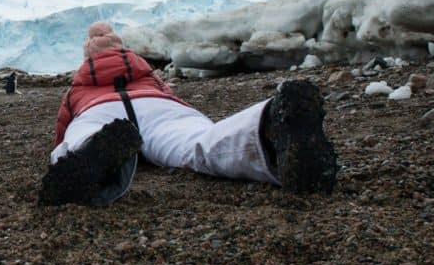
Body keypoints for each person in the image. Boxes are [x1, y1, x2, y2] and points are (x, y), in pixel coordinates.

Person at [38, 22, 338, 206]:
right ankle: (269, 127)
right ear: (125, 52)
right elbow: (171, 96)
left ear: (88, 57)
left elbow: (64, 123)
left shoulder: (79, 84)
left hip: (98, 109)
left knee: (80, 136)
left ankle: (87, 155)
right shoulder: (147, 73)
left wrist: (60, 146)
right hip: (156, 104)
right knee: (195, 142)